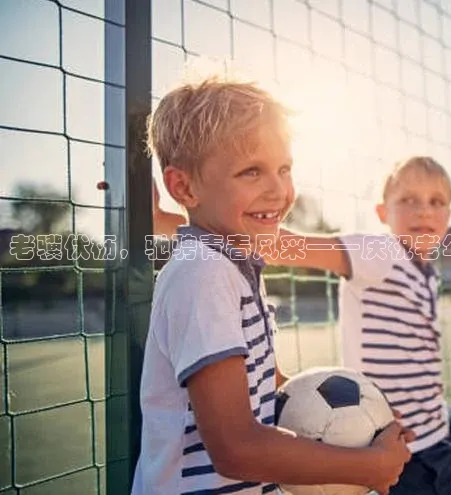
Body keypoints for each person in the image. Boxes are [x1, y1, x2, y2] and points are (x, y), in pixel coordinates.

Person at [132, 75, 413, 495]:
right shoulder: (203, 274)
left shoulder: (234, 265)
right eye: (252, 171)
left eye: (284, 169)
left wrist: (361, 424)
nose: (278, 190)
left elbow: (266, 388)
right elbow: (235, 447)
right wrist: (364, 466)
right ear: (183, 187)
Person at [266, 156, 451, 495]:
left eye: (437, 202)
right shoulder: (380, 253)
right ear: (382, 213)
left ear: (448, 216)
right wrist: (187, 223)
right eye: (408, 200)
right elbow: (287, 247)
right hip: (408, 453)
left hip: (440, 430)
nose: (424, 211)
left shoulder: (427, 273)